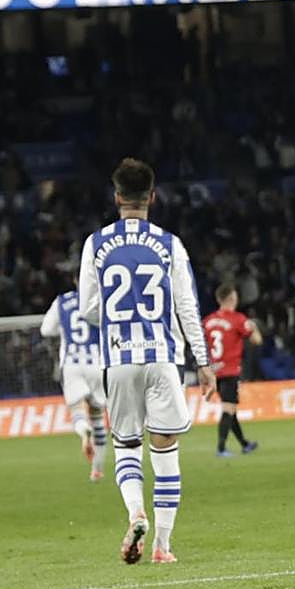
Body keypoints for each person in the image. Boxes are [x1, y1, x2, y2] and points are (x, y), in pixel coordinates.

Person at [78, 158, 216, 566]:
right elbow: (187, 307)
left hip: (119, 358)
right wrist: (203, 361)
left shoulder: (96, 244)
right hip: (163, 357)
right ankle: (162, 545)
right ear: (152, 197)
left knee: (126, 445)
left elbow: (87, 308)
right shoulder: (170, 244)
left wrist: (118, 318)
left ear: (117, 197)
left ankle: (136, 512)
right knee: (166, 448)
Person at [40, 287, 108, 481]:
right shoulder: (100, 298)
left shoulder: (62, 301)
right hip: (96, 361)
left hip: (72, 363)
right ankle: (97, 469)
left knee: (77, 410)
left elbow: (46, 330)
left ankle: (82, 427)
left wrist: (63, 329)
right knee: (98, 416)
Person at [203, 283, 264, 457]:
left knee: (230, 409)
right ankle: (221, 448)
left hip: (214, 371)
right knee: (228, 409)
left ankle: (244, 444)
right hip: (230, 371)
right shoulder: (238, 319)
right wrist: (254, 327)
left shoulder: (207, 321)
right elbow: (257, 341)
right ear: (232, 299)